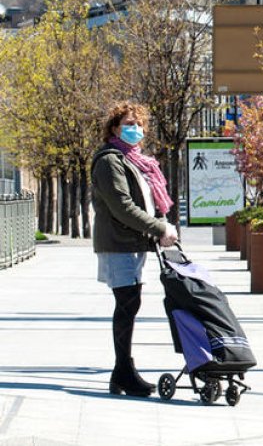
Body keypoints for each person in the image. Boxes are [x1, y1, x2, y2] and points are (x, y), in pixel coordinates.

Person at [91, 101, 179, 397]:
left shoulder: (136, 161)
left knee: (131, 303)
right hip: (118, 243)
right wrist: (159, 228)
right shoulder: (109, 161)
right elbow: (123, 206)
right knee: (127, 304)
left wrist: (162, 224)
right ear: (114, 128)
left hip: (135, 242)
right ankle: (123, 371)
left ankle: (122, 373)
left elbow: (148, 200)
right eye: (128, 124)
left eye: (139, 124)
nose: (135, 129)